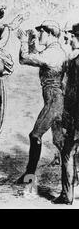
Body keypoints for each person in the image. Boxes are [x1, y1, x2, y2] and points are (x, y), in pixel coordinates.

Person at [15, 20, 67, 185]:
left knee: (35, 135)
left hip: (54, 100)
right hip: (56, 99)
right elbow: (36, 52)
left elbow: (24, 59)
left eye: (41, 32)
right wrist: (30, 40)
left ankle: (29, 176)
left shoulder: (53, 54)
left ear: (50, 33)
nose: (39, 35)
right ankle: (74, 179)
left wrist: (24, 41)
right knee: (60, 141)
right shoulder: (54, 50)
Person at [52, 23, 79, 204]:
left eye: (72, 36)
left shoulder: (74, 57)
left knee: (68, 153)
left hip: (76, 114)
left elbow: (71, 92)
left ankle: (66, 195)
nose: (70, 39)